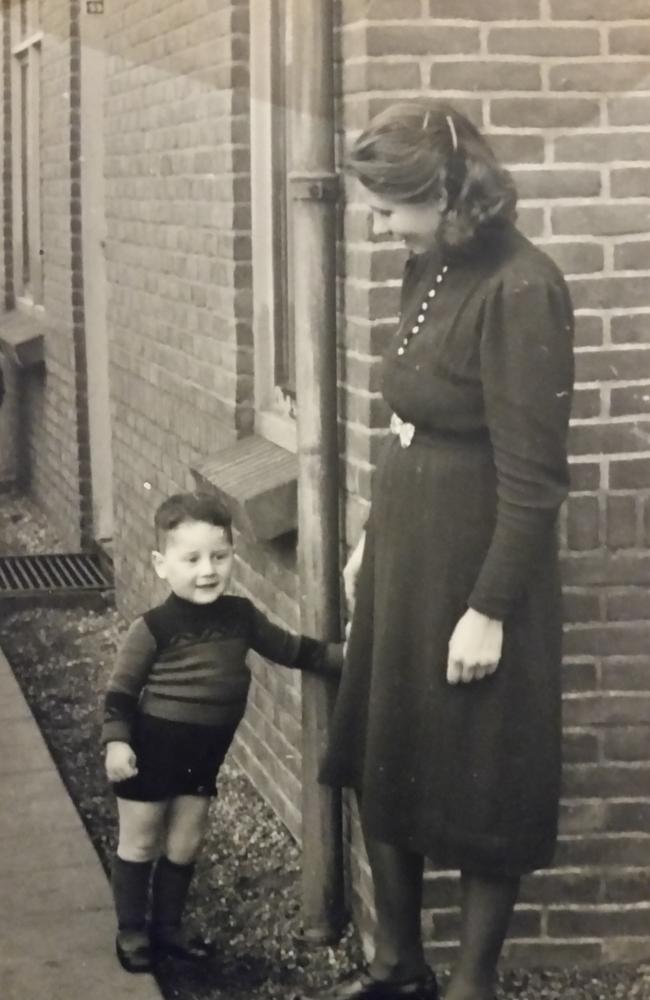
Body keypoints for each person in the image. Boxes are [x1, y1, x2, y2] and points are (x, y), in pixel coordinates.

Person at [301, 101, 574, 1000]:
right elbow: (411, 418)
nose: (377, 227)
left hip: (480, 561)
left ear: (445, 193)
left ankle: (471, 985)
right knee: (388, 740)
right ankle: (398, 964)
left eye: (388, 208)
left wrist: (489, 611)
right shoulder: (427, 266)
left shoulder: (522, 286)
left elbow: (534, 481)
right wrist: (372, 539)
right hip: (409, 548)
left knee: (485, 767)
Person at [102, 491, 342, 974]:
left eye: (219, 556)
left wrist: (343, 656)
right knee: (141, 841)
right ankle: (132, 931)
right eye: (191, 559)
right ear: (161, 564)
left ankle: (168, 929)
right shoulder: (153, 628)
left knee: (185, 842)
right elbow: (120, 693)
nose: (207, 570)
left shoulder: (241, 616)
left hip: (204, 754)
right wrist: (117, 742)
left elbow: (292, 649)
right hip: (150, 750)